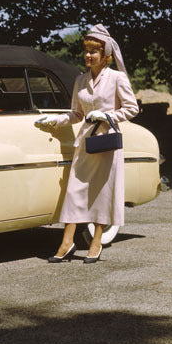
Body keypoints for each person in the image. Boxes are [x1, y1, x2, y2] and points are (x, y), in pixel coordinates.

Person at [35, 24, 139, 264]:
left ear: (107, 57)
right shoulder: (80, 80)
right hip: (84, 141)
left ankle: (96, 240)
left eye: (94, 52)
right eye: (87, 51)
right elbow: (76, 114)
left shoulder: (117, 78)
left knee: (102, 191)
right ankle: (67, 241)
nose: (88, 56)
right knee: (74, 190)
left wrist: (109, 115)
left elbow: (132, 108)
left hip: (106, 141)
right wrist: (54, 121)